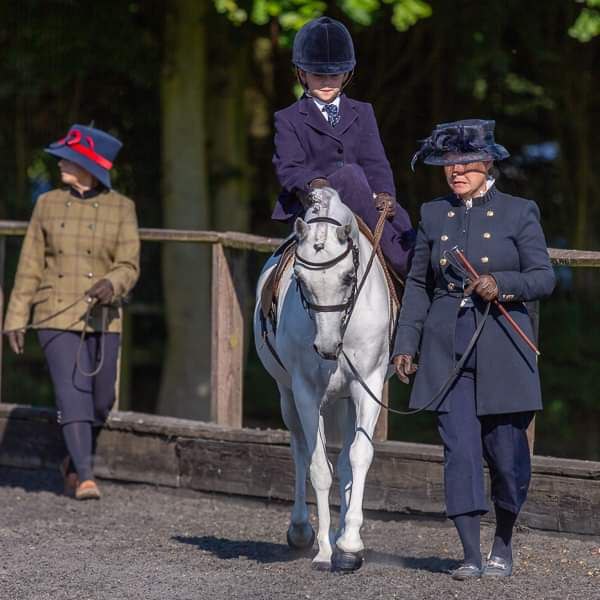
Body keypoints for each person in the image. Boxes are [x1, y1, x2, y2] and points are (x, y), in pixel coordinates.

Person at [393, 119, 555, 579]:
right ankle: (470, 553)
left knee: (507, 457)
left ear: (488, 163)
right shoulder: (432, 214)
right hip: (448, 351)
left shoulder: (520, 211)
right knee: (459, 452)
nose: (455, 171)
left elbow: (543, 278)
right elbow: (420, 288)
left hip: (504, 346)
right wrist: (406, 342)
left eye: (464, 162)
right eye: (447, 163)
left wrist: (501, 284)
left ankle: (503, 542)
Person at [3, 124, 140, 500]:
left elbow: (129, 263)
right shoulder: (46, 204)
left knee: (100, 399)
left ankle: (70, 460)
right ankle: (85, 475)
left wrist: (112, 283)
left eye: (71, 158)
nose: (62, 162)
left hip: (103, 315)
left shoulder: (122, 208)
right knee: (71, 393)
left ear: (91, 166)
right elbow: (29, 265)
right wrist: (16, 316)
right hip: (55, 312)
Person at [271, 16, 414, 277]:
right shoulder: (288, 117)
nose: (326, 82)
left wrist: (385, 193)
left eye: (334, 75)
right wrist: (315, 183)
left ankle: (414, 269)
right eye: (318, 75)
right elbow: (288, 167)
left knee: (371, 189)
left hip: (365, 200)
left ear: (347, 74)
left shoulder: (363, 111)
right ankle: (403, 259)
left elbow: (376, 162)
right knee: (350, 174)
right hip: (314, 201)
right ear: (301, 73)